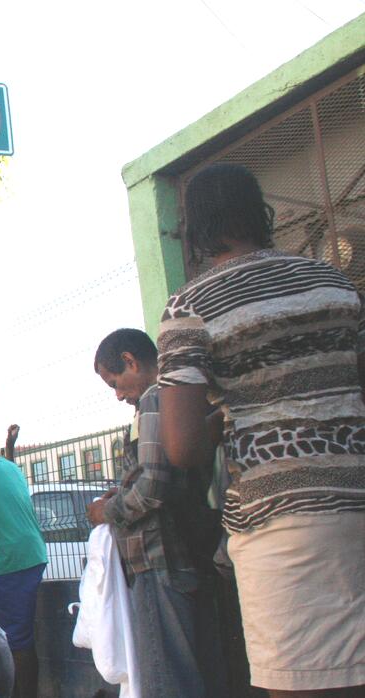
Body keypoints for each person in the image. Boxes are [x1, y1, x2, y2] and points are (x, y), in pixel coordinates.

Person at [157, 163, 365, 696]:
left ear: (195, 225)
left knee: (301, 683)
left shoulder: (192, 306)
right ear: (259, 211)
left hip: (283, 519)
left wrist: (220, 422)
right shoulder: (333, 283)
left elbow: (181, 449)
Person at [88, 328, 225, 697]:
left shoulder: (153, 399)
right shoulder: (186, 400)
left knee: (167, 679)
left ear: (131, 361)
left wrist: (108, 510)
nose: (118, 395)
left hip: (157, 558)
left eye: (115, 382)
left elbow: (153, 486)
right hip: (186, 552)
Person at [0, 423, 47, 698]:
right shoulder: (8, 466)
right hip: (29, 554)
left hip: (17, 559)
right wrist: (11, 445)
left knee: (15, 638)